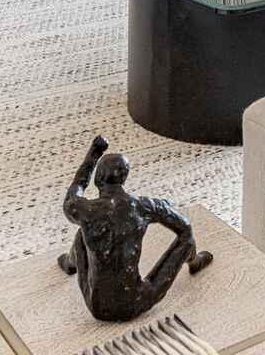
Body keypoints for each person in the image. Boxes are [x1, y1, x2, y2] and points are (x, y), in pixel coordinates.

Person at [59, 134, 213, 321]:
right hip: (135, 302)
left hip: (97, 306)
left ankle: (70, 263)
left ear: (98, 179)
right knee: (187, 239)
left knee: (83, 233)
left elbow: (75, 189)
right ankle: (194, 261)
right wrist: (164, 207)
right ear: (124, 177)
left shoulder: (85, 210)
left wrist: (93, 155)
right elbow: (185, 228)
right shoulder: (143, 206)